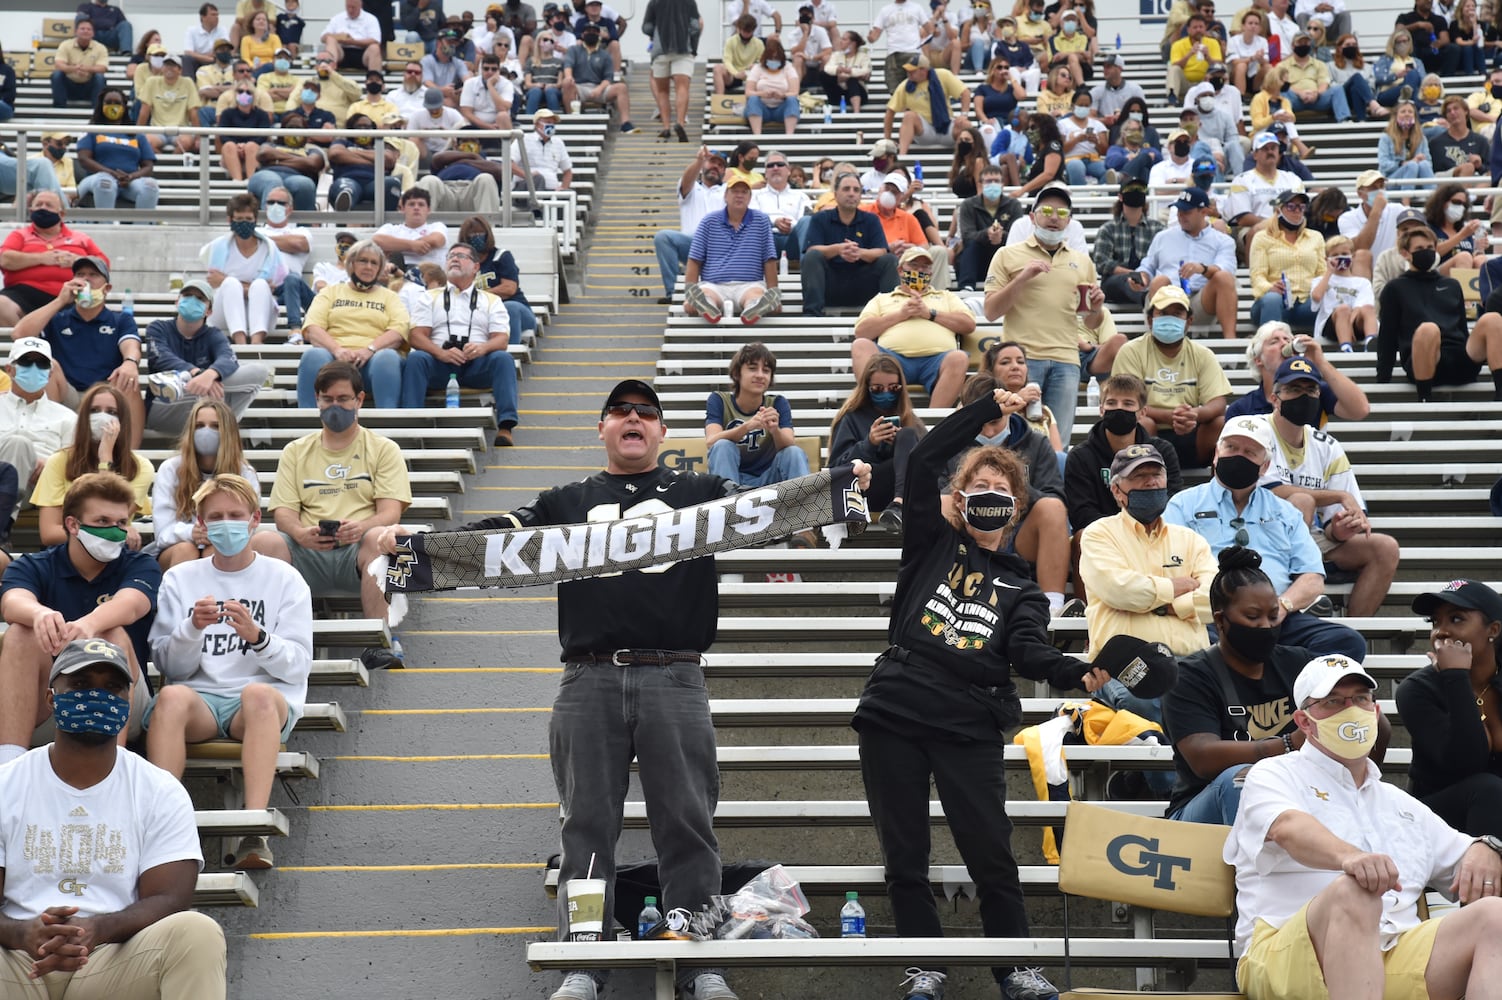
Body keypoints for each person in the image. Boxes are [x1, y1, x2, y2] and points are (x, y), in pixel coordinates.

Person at [370, 379, 860, 1000]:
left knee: (686, 824)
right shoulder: (564, 499)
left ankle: (697, 960)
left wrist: (840, 485)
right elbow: (495, 535)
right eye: (620, 411)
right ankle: (584, 958)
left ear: (661, 432)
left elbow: (766, 504)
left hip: (675, 672)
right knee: (585, 826)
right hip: (589, 677)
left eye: (647, 413)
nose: (633, 418)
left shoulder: (703, 492)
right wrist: (414, 547)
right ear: (601, 427)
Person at [853, 385, 1104, 1000]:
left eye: (1001, 492)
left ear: (1017, 506)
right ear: (959, 501)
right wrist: (988, 412)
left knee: (991, 852)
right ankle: (925, 966)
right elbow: (920, 457)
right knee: (904, 855)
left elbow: (1030, 653)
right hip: (895, 712)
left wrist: (1082, 672)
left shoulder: (1021, 587)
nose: (990, 499)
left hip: (969, 722)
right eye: (978, 490)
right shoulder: (929, 543)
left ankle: (1015, 966)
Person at [1224, 653, 1502, 1000]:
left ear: (1376, 710)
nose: (1350, 709)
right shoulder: (1274, 773)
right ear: (1304, 722)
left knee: (1494, 916)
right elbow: (1287, 827)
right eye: (1333, 702)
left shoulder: (1398, 803)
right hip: (1284, 954)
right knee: (1355, 891)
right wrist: (1351, 858)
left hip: (1390, 953)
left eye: (1360, 698)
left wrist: (1487, 846)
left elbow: (1467, 856)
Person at [0, 634, 227, 998]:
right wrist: (22, 933)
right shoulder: (6, 783)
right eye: (80, 684)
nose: (97, 696)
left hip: (111, 961)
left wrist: (98, 929)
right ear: (50, 697)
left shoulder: (159, 789)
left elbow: (172, 897)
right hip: (16, 961)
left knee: (197, 933)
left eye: (112, 687)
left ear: (127, 701)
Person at [145, 472, 313, 871]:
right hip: (199, 701)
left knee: (256, 695)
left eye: (235, 515)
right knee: (169, 696)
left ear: (255, 520)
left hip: (261, 703)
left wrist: (257, 637)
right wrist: (191, 629)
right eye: (215, 516)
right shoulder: (180, 578)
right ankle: (158, 825)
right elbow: (168, 665)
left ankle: (254, 829)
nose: (225, 523)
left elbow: (297, 665)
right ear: (200, 524)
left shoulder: (285, 579)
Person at [1163, 546, 1381, 824]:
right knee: (1241, 778)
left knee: (1375, 723)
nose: (1266, 626)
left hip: (1294, 797)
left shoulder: (1299, 662)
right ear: (1220, 621)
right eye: (1253, 617)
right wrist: (1289, 744)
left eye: (1272, 615)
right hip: (1204, 809)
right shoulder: (1190, 676)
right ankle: (1253, 868)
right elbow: (1203, 758)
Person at [1165, 415, 1366, 660]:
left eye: (1250, 452)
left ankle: (1268, 670)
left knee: (1346, 643)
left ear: (1265, 466)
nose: (1238, 456)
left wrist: (1281, 608)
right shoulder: (1183, 505)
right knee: (1201, 647)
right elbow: (1169, 566)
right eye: (1231, 447)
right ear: (1216, 455)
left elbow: (1312, 577)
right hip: (1214, 616)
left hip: (1275, 617)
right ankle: (1267, 669)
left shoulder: (1285, 512)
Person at [262, 362, 411, 672]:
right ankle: (266, 643)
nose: (335, 406)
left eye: (343, 399)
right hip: (308, 551)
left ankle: (379, 640)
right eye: (327, 399)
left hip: (358, 552)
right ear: (317, 399)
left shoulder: (383, 449)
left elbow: (390, 511)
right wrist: (301, 533)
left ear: (359, 400)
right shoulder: (295, 451)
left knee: (380, 536)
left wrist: (361, 527)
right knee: (265, 541)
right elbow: (283, 514)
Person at [0, 474, 161, 759]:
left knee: (110, 634)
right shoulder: (36, 565)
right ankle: (8, 766)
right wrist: (40, 615)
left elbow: (132, 604)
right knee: (19, 632)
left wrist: (89, 625)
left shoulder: (140, 564)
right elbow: (12, 602)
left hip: (125, 702)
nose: (115, 531)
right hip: (52, 703)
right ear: (73, 524)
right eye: (102, 522)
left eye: (121, 523)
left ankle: (115, 764)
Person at [1261, 358, 1399, 617]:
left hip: (1309, 540)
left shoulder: (1327, 446)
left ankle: (1356, 628)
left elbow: (1337, 522)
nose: (1304, 396)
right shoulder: (1256, 430)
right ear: (1275, 397)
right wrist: (1338, 495)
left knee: (1385, 547)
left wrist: (1340, 528)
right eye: (1294, 389)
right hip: (1258, 533)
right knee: (1301, 502)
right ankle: (1298, 596)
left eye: (1310, 390)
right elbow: (1267, 492)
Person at [983, 182, 1104, 445]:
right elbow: (991, 311)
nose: (1053, 217)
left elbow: (1091, 320)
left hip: (1066, 360)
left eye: (1062, 213)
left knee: (1058, 442)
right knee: (1015, 439)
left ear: (1069, 222)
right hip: (1023, 361)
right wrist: (1022, 278)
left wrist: (1096, 307)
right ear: (1032, 216)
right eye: (1046, 210)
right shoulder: (1008, 254)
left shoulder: (1082, 261)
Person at [1079, 441, 1214, 658]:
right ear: (1116, 491)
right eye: (1139, 476)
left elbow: (1215, 598)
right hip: (1127, 667)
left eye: (1157, 474)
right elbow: (1119, 590)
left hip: (1192, 664)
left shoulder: (1190, 539)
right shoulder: (1099, 534)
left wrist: (1159, 605)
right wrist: (1175, 587)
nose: (1151, 482)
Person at [1396, 580, 1502, 838]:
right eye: (1434, 622)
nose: (1440, 632)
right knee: (1488, 789)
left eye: (1456, 619)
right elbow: (1466, 764)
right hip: (1436, 818)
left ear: (1494, 629)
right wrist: (1455, 677)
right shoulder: (1416, 690)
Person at [15, 255, 145, 444]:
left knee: (130, 379)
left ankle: (133, 458)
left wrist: (130, 362)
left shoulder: (120, 320)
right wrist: (60, 300)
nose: (85, 279)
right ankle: (50, 445)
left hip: (106, 394)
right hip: (68, 393)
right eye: (80, 274)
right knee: (48, 365)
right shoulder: (58, 318)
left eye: (93, 274)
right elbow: (20, 334)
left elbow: (131, 345)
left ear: (107, 288)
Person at [400, 242, 519, 445]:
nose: (454, 258)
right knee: (416, 358)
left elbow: (501, 339)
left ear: (476, 267)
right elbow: (417, 336)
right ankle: (411, 425)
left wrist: (482, 348)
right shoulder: (428, 297)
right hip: (440, 364)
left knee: (503, 358)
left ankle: (506, 427)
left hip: (477, 364)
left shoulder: (491, 300)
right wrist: (441, 353)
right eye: (451, 255)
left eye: (462, 256)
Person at [1378, 225, 1502, 401]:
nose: (1426, 252)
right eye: (1419, 249)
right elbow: (1387, 337)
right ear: (1405, 253)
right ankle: (1425, 399)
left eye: (1430, 248)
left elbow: (1462, 329)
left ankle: (1500, 395)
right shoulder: (1395, 288)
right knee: (1429, 329)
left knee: (1493, 319)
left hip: (1460, 358)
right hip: (1424, 361)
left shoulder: (1452, 285)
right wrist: (1383, 380)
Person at [703, 344, 813, 538]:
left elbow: (788, 444)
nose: (760, 375)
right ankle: (730, 525)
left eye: (766, 370)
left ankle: (803, 529)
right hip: (732, 482)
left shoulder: (777, 403)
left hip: (769, 481)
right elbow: (711, 441)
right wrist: (747, 426)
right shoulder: (718, 400)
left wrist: (774, 429)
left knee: (793, 452)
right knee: (722, 446)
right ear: (737, 373)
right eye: (752, 368)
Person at [31, 385, 154, 552]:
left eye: (112, 412)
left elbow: (110, 516)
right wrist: (101, 531)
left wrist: (105, 458)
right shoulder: (59, 461)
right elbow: (49, 533)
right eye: (94, 410)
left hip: (113, 551)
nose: (102, 417)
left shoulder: (141, 467)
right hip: (64, 553)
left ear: (123, 421)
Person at [1064, 372, 1183, 540]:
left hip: (1153, 531)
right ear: (1101, 409)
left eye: (1128, 404)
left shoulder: (1163, 451)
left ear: (1142, 413)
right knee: (1082, 536)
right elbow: (1082, 514)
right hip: (1105, 536)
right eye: (1112, 403)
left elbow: (1173, 501)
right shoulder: (1080, 456)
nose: (1119, 409)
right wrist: (1124, 531)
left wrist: (1142, 529)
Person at [142, 278, 269, 437]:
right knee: (201, 390)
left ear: (209, 311)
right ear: (177, 301)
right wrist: (196, 374)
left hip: (205, 407)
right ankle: (222, 426)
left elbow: (228, 358)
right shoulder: (158, 328)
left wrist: (210, 375)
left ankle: (221, 425)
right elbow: (161, 358)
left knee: (259, 371)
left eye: (200, 299)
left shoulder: (213, 334)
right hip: (164, 407)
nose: (192, 300)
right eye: (187, 295)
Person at [850, 246, 971, 408]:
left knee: (959, 358)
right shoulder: (882, 299)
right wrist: (901, 314)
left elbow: (968, 324)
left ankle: (934, 422)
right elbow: (861, 332)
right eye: (914, 265)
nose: (920, 270)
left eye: (925, 267)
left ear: (931, 273)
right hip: (891, 359)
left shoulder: (946, 297)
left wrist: (930, 313)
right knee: (861, 346)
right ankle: (875, 412)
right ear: (900, 270)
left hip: (937, 360)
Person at [297, 240, 410, 408]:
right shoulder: (330, 292)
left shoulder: (390, 297)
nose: (369, 266)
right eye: (363, 261)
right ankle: (307, 423)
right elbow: (313, 327)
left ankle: (388, 421)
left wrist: (369, 350)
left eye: (374, 263)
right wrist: (337, 350)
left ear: (380, 268)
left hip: (373, 362)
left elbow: (398, 331)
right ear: (351, 264)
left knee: (387, 357)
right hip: (333, 360)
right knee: (313, 356)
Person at [151, 399, 261, 570]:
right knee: (186, 550)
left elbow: (248, 526)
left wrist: (219, 534)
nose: (206, 432)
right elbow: (162, 533)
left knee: (217, 552)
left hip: (226, 547)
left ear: (228, 432)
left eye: (215, 426)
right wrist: (192, 533)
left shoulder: (245, 472)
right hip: (178, 548)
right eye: (200, 426)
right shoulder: (171, 469)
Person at [830, 354, 924, 529]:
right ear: (867, 388)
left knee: (908, 436)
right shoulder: (851, 418)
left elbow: (927, 460)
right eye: (878, 389)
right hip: (863, 489)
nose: (886, 393)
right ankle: (899, 505)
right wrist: (869, 443)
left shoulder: (909, 418)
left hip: (906, 491)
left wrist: (902, 447)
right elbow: (835, 468)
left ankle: (898, 504)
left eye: (893, 387)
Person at [1135, 188, 1240, 337]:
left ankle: (1231, 342)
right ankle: (1156, 339)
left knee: (1224, 278)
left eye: (1186, 212)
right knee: (1160, 280)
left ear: (1204, 212)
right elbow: (1147, 266)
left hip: (1201, 302)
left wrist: (1202, 269)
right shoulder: (1162, 237)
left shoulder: (1223, 241)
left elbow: (1226, 270)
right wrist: (1141, 278)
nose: (1180, 216)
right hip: (1167, 297)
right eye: (1179, 211)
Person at [0, 338, 76, 543]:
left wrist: (52, 464)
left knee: (20, 444)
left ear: (50, 373)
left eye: (41, 364)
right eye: (26, 362)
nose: (34, 368)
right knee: (18, 444)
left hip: (39, 492)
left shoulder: (67, 417)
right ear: (10, 369)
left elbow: (75, 466)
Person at [1227, 321, 1371, 422]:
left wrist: (1321, 363)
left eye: (1287, 340)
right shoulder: (1242, 409)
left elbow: (1360, 410)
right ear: (1258, 359)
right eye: (1274, 341)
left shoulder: (1313, 391)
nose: (1284, 344)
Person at [0, 192, 105, 328]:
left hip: (73, 295)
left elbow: (103, 264)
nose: (42, 208)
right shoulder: (20, 235)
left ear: (61, 214)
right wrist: (42, 258)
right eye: (38, 205)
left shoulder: (80, 238)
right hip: (23, 294)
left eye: (49, 205)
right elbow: (5, 259)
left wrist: (78, 261)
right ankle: (29, 343)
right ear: (31, 211)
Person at [801, 171, 898, 316]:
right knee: (811, 257)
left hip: (863, 285)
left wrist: (859, 253)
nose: (851, 193)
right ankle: (812, 315)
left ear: (860, 196)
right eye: (846, 189)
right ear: (835, 194)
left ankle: (889, 314)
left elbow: (881, 251)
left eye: (856, 190)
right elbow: (811, 249)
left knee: (890, 260)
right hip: (830, 285)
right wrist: (838, 249)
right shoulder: (820, 218)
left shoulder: (871, 220)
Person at [199, 193, 284, 345]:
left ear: (255, 220)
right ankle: (241, 343)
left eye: (248, 219)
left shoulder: (269, 249)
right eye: (239, 219)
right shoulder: (217, 247)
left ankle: (256, 344)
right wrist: (240, 285)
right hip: (224, 313)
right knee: (232, 284)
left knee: (258, 285)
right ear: (230, 220)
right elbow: (214, 283)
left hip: (263, 316)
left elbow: (270, 288)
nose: (244, 223)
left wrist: (227, 281)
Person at [653, 147, 726, 303]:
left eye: (720, 165)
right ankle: (673, 291)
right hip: (693, 244)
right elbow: (686, 182)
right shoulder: (692, 187)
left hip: (721, 247)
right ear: (703, 165)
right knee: (663, 237)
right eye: (712, 162)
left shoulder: (728, 190)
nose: (716, 167)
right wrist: (699, 160)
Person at [76, 88, 161, 211]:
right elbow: (84, 158)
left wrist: (131, 177)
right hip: (96, 179)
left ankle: (143, 227)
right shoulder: (92, 130)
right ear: (101, 105)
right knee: (105, 182)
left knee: (150, 185)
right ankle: (106, 227)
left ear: (124, 106)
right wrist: (112, 174)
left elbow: (148, 166)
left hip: (130, 182)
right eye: (108, 103)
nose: (112, 106)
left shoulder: (136, 134)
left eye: (117, 103)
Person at [1094, 180, 1164, 308]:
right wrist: (1133, 275)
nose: (1136, 193)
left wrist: (1144, 277)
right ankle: (1149, 301)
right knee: (1127, 280)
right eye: (1131, 189)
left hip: (1149, 280)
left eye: (1140, 189)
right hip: (1115, 284)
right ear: (1120, 197)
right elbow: (1102, 263)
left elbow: (1163, 260)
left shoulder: (1157, 228)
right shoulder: (1108, 228)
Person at [884, 54, 972, 156]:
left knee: (966, 125)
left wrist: (963, 115)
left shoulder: (943, 75)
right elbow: (890, 111)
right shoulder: (905, 86)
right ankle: (902, 156)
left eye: (912, 71)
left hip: (946, 125)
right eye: (908, 71)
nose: (909, 74)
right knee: (909, 116)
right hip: (924, 131)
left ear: (924, 70)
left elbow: (965, 93)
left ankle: (961, 159)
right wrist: (887, 138)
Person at [956, 164, 1025, 291]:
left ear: (1003, 184)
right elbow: (966, 235)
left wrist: (1001, 236)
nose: (993, 184)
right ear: (980, 184)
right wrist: (987, 234)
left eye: (996, 181)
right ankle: (966, 287)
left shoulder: (1013, 205)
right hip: (977, 259)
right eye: (988, 181)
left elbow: (1017, 234)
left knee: (1013, 248)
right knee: (971, 245)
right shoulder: (968, 205)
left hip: (1004, 256)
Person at [563, 19, 634, 132]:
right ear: (583, 34)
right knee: (567, 83)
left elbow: (608, 78)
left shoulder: (604, 55)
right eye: (588, 31)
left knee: (621, 87)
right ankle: (571, 119)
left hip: (599, 87)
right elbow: (568, 65)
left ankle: (625, 123)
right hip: (579, 87)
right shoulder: (574, 50)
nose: (591, 33)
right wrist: (569, 77)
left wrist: (599, 89)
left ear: (598, 34)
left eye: (594, 31)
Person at [641, 0, 698, 140]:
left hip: (660, 50)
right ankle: (680, 123)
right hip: (683, 49)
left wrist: (657, 29)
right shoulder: (689, 2)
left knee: (662, 91)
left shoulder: (654, 2)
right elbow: (695, 26)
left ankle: (666, 127)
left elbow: (646, 27)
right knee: (682, 87)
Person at [1309, 235, 1377, 350]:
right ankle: (1346, 347)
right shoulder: (1321, 280)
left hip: (1355, 323)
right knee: (1343, 309)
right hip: (1330, 326)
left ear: (1353, 256)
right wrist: (1329, 272)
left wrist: (1350, 325)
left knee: (1368, 309)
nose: (1340, 258)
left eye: (1345, 254)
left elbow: (1361, 307)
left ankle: (1372, 342)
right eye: (1335, 255)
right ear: (1327, 259)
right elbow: (1316, 297)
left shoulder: (1362, 282)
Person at [329, 113, 403, 210]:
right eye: (359, 127)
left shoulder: (379, 144)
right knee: (346, 189)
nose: (363, 130)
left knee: (393, 182)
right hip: (349, 180)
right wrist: (375, 160)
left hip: (374, 183)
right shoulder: (343, 142)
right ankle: (345, 212)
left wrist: (353, 152)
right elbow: (335, 153)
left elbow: (389, 159)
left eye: (367, 127)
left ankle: (388, 223)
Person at [749, 150, 810, 266]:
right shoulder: (755, 195)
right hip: (766, 239)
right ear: (766, 173)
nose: (775, 168)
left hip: (793, 240)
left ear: (788, 171)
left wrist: (789, 226)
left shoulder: (801, 196)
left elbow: (805, 223)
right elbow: (753, 219)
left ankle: (807, 270)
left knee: (807, 221)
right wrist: (774, 222)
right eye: (770, 166)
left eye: (780, 165)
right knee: (755, 219)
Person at [136, 53, 203, 155]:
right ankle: (164, 163)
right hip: (157, 130)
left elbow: (193, 112)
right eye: (167, 65)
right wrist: (138, 134)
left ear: (180, 70)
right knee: (145, 142)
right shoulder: (152, 82)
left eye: (173, 66)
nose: (169, 68)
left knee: (187, 142)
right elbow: (144, 111)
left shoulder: (188, 83)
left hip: (181, 130)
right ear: (162, 68)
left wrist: (198, 138)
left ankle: (171, 162)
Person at [868, 0, 928, 92]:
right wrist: (870, 37)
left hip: (913, 53)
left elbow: (930, 28)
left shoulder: (917, 8)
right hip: (894, 54)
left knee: (915, 88)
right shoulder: (885, 10)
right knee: (895, 90)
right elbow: (874, 35)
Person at [51, 19, 109, 108]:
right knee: (56, 74)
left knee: (99, 77)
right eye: (82, 29)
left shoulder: (100, 48)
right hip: (69, 87)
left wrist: (86, 69)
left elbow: (102, 68)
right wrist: (74, 69)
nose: (86, 31)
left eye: (89, 29)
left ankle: (97, 109)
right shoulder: (65, 45)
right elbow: (58, 65)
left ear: (93, 33)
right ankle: (59, 107)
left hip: (89, 87)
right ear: (76, 32)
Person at [1168, 14, 1224, 100]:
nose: (1198, 30)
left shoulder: (1213, 43)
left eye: (1201, 27)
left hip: (1206, 82)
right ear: (1188, 30)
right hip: (1185, 83)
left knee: (1221, 69)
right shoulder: (1177, 44)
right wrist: (1189, 54)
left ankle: (1221, 97)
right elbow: (1175, 64)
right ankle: (1172, 97)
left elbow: (1218, 65)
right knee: (1174, 69)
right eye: (1195, 27)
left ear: (1205, 28)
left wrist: (1208, 57)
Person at [322, 0, 385, 71]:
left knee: (375, 47)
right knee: (330, 39)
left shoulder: (371, 19)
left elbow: (375, 40)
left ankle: (375, 78)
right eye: (348, 7)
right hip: (341, 53)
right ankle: (329, 73)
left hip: (363, 53)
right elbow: (323, 37)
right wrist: (339, 37)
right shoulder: (337, 18)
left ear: (360, 6)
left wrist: (353, 41)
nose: (350, 10)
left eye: (353, 7)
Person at [821, 30, 870, 113]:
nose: (841, 41)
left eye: (844, 39)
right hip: (839, 91)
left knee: (852, 80)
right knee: (823, 75)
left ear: (853, 43)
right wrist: (838, 70)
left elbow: (866, 71)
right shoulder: (836, 55)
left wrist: (850, 72)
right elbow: (827, 68)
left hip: (860, 94)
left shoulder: (863, 56)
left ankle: (856, 113)